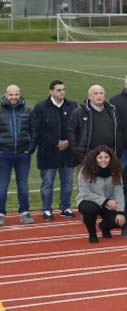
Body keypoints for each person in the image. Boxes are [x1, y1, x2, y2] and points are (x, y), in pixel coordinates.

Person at [31, 80, 77, 220]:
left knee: (68, 183)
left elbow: (76, 127)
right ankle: (46, 209)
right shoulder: (40, 108)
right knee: (47, 182)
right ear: (51, 91)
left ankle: (65, 207)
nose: (62, 92)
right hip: (48, 153)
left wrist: (68, 142)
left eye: (63, 89)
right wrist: (55, 142)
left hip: (68, 153)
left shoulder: (72, 106)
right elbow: (38, 130)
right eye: (58, 90)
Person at [0, 84, 35, 226]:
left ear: (19, 94)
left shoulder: (27, 110)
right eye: (11, 95)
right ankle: (1, 213)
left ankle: (24, 212)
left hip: (22, 154)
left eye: (16, 94)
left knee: (23, 184)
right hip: (3, 154)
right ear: (5, 95)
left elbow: (34, 131)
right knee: (2, 185)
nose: (14, 97)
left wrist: (29, 149)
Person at [76, 146, 126, 243]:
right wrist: (105, 201)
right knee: (90, 209)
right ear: (95, 159)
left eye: (106, 157)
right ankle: (92, 233)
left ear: (111, 158)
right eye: (100, 157)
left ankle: (104, 227)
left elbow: (119, 191)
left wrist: (121, 212)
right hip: (89, 201)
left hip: (109, 203)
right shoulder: (85, 171)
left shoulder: (115, 171)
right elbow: (85, 193)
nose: (103, 160)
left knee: (121, 221)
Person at [69, 85, 122, 164]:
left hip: (109, 156)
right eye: (96, 94)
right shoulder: (79, 112)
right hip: (88, 157)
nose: (99, 96)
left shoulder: (112, 111)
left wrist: (118, 150)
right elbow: (71, 132)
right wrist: (78, 152)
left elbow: (118, 131)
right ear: (89, 97)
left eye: (101, 93)